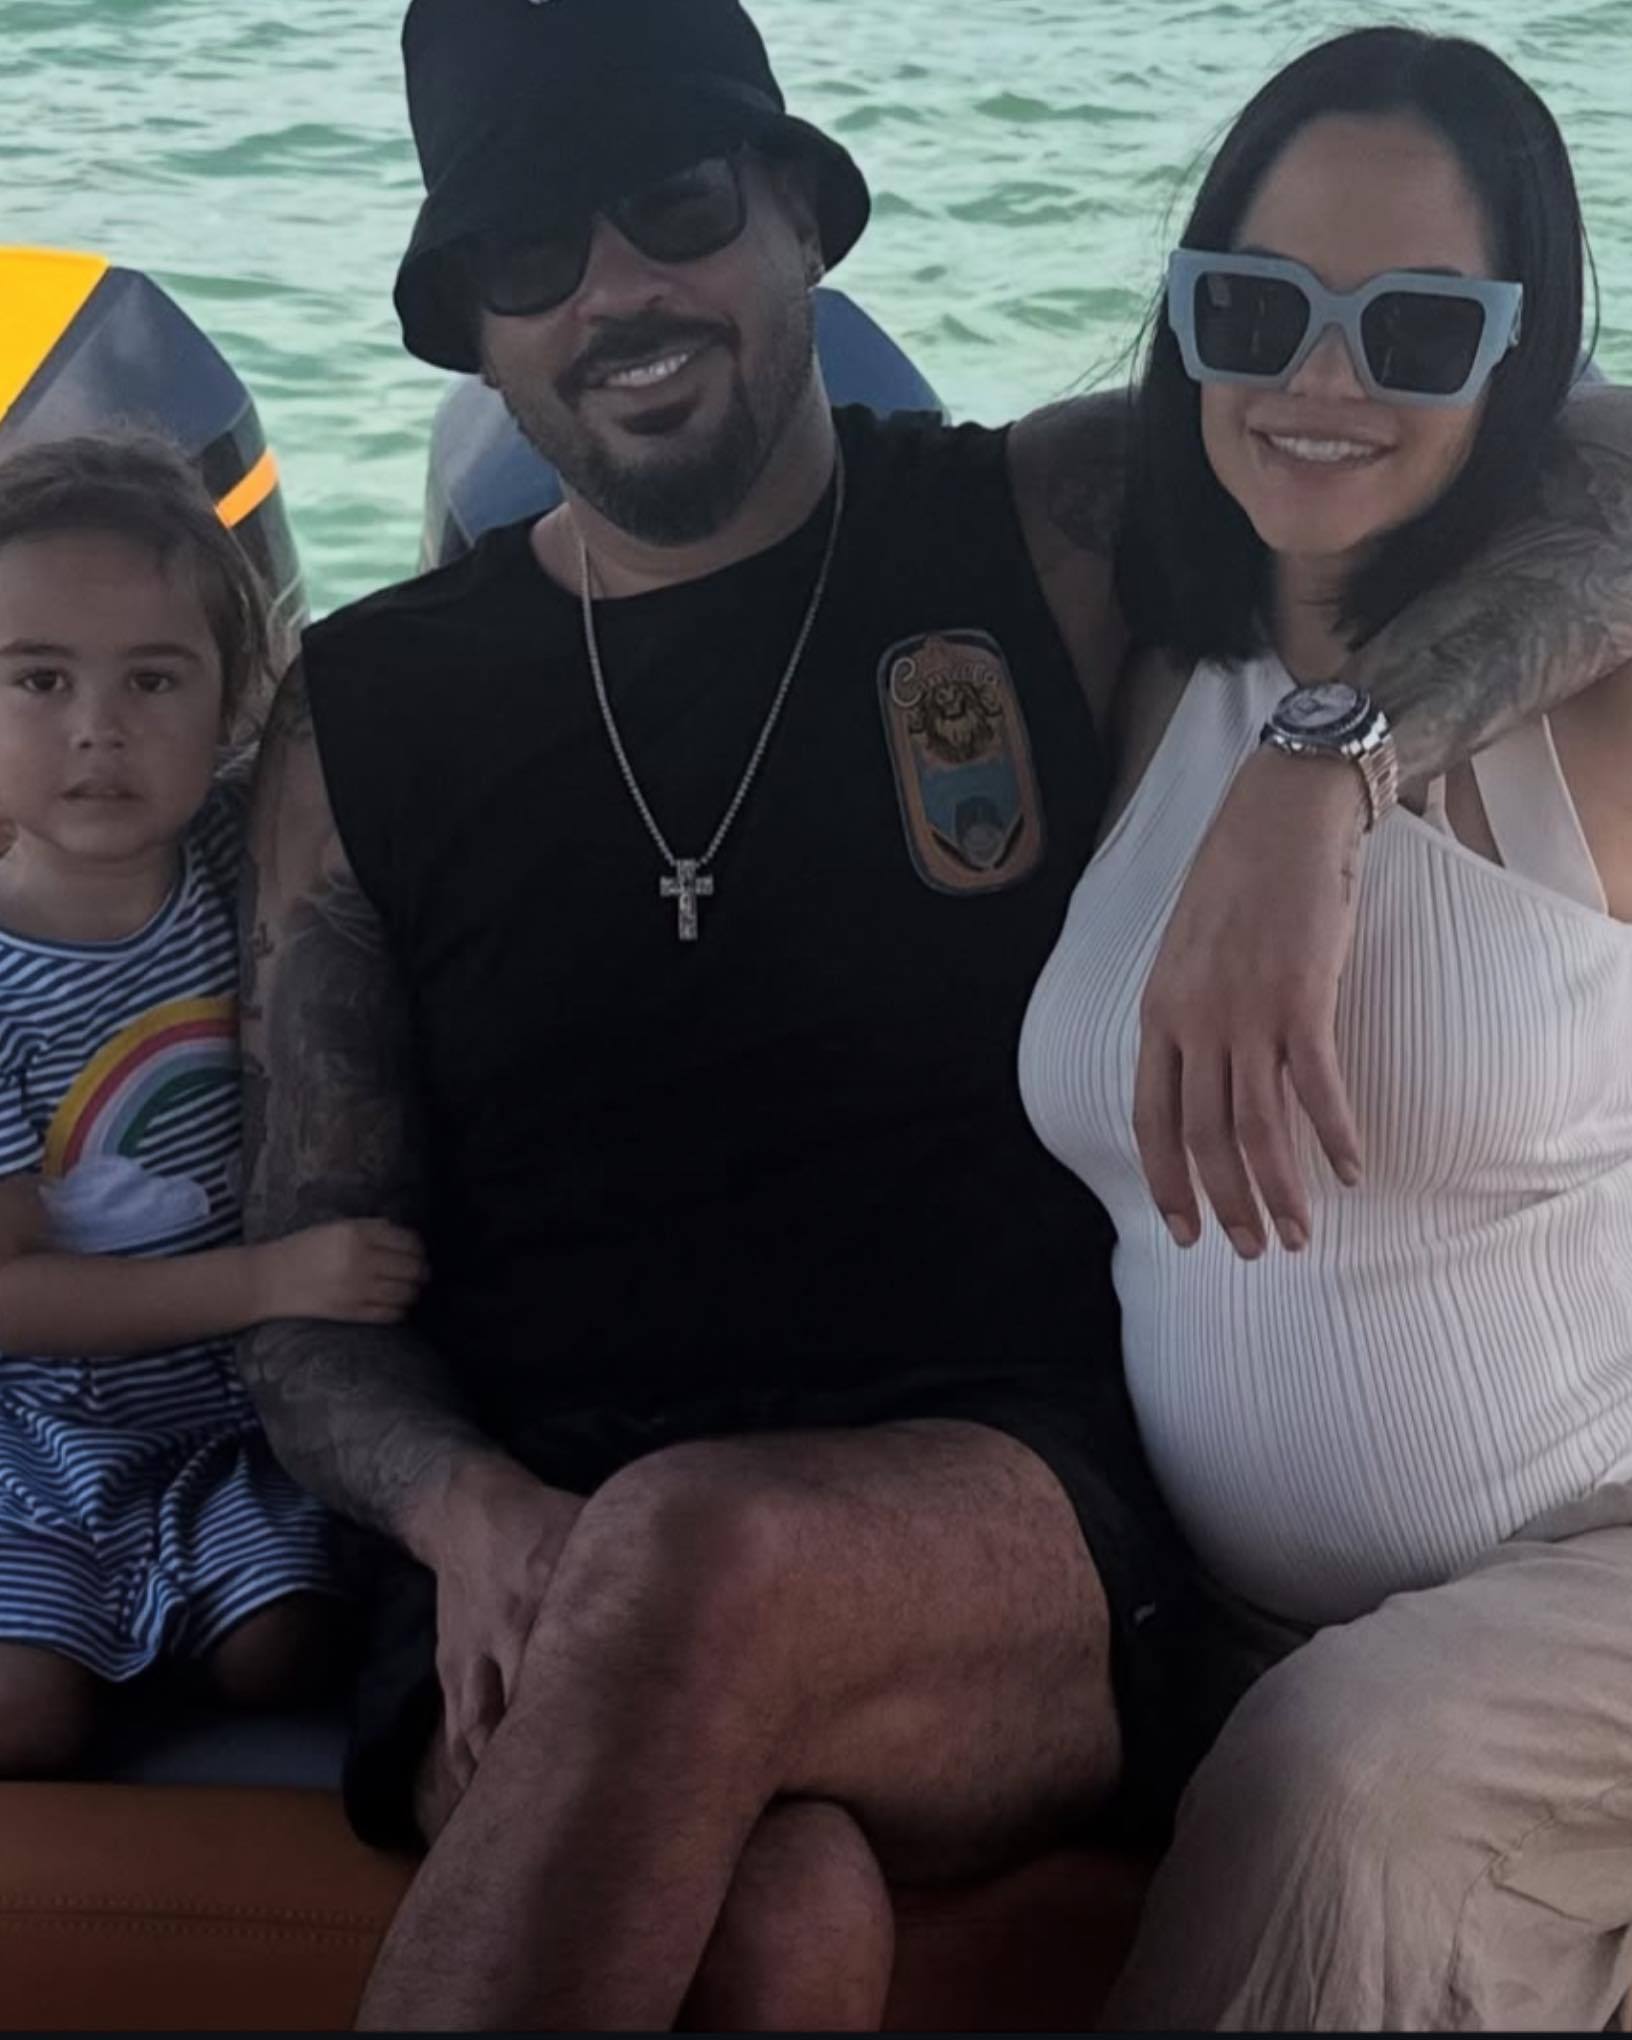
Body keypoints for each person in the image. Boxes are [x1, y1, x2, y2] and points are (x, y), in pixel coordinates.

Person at [236, 1, 1632, 2028]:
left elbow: (1541, 446)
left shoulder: (1041, 533)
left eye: (677, 205)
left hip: (1001, 1512)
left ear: (802, 218)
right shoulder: (358, 715)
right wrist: (461, 1508)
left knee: (694, 1561)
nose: (617, 291)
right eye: (531, 252)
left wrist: (1336, 758)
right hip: (532, 1527)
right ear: (474, 323)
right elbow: (305, 1294)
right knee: (781, 1915)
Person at [1016, 28, 1632, 2028]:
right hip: (1226, 1614)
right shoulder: (1129, 658)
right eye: (1258, 309)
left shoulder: (1605, 709)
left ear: (1523, 363)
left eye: (1421, 331)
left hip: (1591, 1581)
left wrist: (1328, 767)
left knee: (1339, 1771)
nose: (1323, 380)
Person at [0, 433, 427, 1777]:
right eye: (39, 679)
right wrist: (270, 1282)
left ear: (234, 696)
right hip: (45, 1434)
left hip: (239, 1419)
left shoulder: (254, 867)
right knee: (27, 1717)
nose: (99, 728)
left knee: (285, 1651)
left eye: (154, 679)